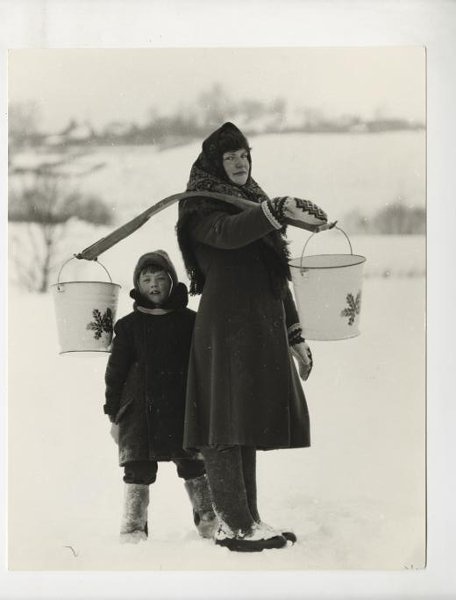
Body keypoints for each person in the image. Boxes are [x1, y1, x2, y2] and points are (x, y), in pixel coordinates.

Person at [176, 122, 331, 552]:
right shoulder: (200, 207)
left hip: (261, 326)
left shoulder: (255, 204)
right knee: (224, 424)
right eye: (230, 158)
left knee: (241, 422)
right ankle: (233, 524)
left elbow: (276, 275)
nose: (240, 162)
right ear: (214, 164)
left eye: (244, 154)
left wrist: (295, 332)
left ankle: (250, 520)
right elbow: (228, 235)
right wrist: (273, 211)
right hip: (224, 327)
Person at [104, 250, 216, 543]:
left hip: (182, 409)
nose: (153, 285)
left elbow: (205, 366)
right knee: (137, 470)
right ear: (138, 285)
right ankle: (133, 529)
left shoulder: (191, 321)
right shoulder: (128, 327)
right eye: (146, 279)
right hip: (138, 412)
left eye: (159, 279)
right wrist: (114, 415)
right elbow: (114, 374)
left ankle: (209, 519)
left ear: (171, 281)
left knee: (194, 464)